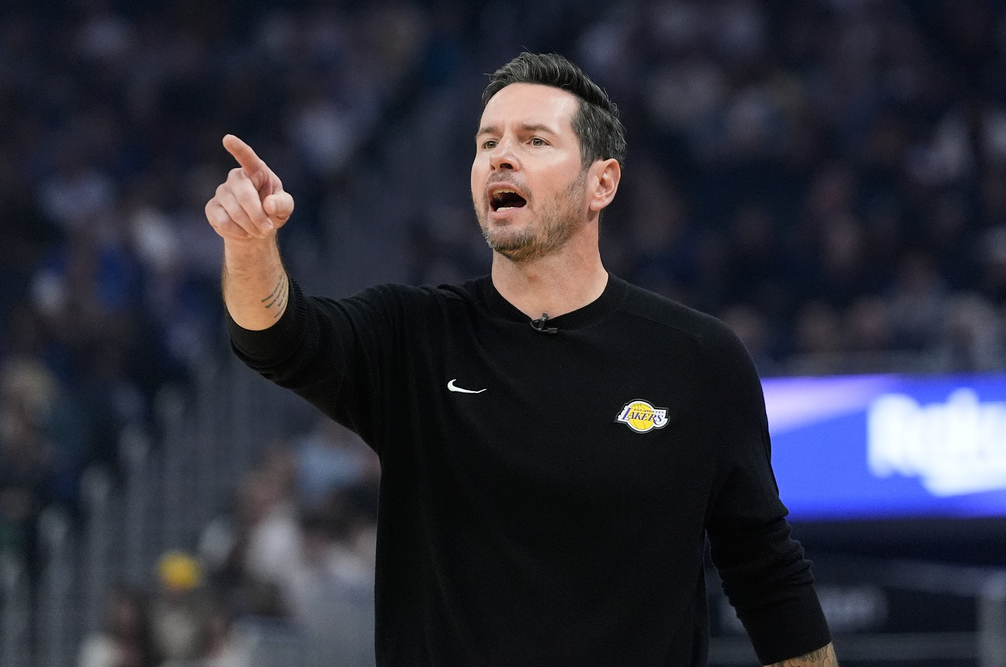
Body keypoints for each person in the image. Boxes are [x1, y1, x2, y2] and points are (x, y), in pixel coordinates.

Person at [205, 51, 838, 666]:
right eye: (488, 143)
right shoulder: (412, 335)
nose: (501, 156)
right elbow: (279, 338)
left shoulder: (698, 359)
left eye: (534, 140)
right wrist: (250, 249)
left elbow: (767, 575)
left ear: (602, 182)